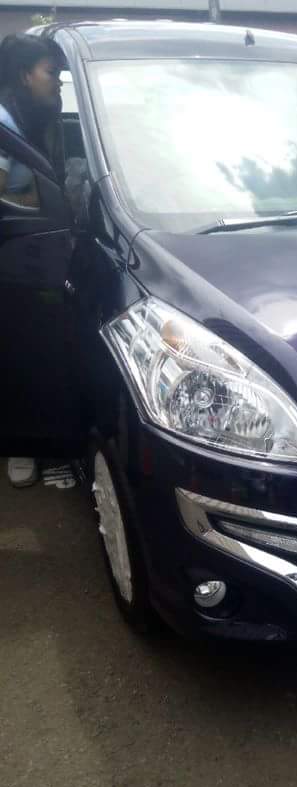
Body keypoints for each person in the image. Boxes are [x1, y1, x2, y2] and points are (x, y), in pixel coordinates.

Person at [0, 34, 64, 488]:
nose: (57, 82)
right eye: (51, 73)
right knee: (18, 347)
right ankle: (19, 443)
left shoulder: (37, 117)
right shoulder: (4, 122)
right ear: (25, 75)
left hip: (30, 244)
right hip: (10, 248)